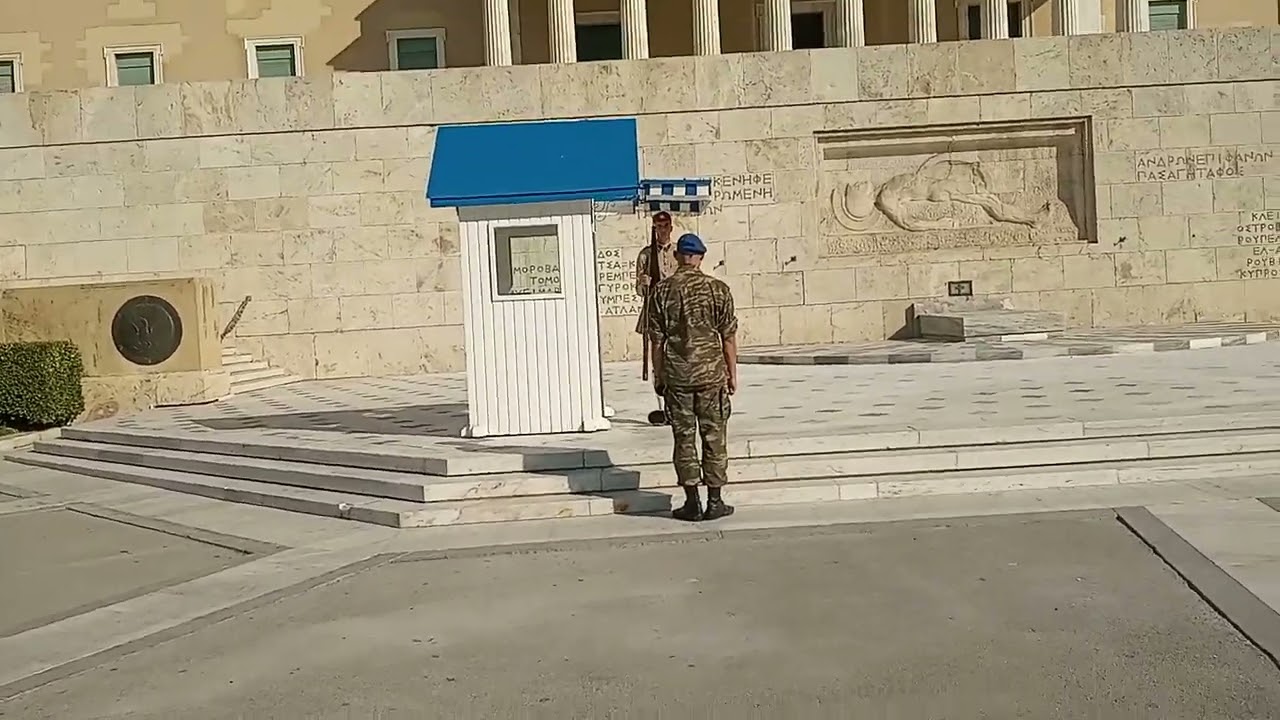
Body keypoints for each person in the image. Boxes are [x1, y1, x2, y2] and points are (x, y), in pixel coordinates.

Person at [646, 233, 739, 522]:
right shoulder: (718, 289)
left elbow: (656, 341)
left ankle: (692, 503)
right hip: (712, 376)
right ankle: (715, 501)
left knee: (684, 439)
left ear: (676, 256)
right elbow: (728, 337)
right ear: (700, 257)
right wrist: (732, 374)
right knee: (714, 437)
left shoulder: (662, 292)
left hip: (677, 377)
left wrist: (658, 376)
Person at [635, 211, 678, 399]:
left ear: (671, 227)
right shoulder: (645, 255)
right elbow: (639, 290)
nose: (662, 230)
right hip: (655, 309)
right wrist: (643, 283)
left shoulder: (678, 252)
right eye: (658, 227)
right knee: (658, 350)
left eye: (665, 226)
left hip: (675, 308)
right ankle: (660, 384)